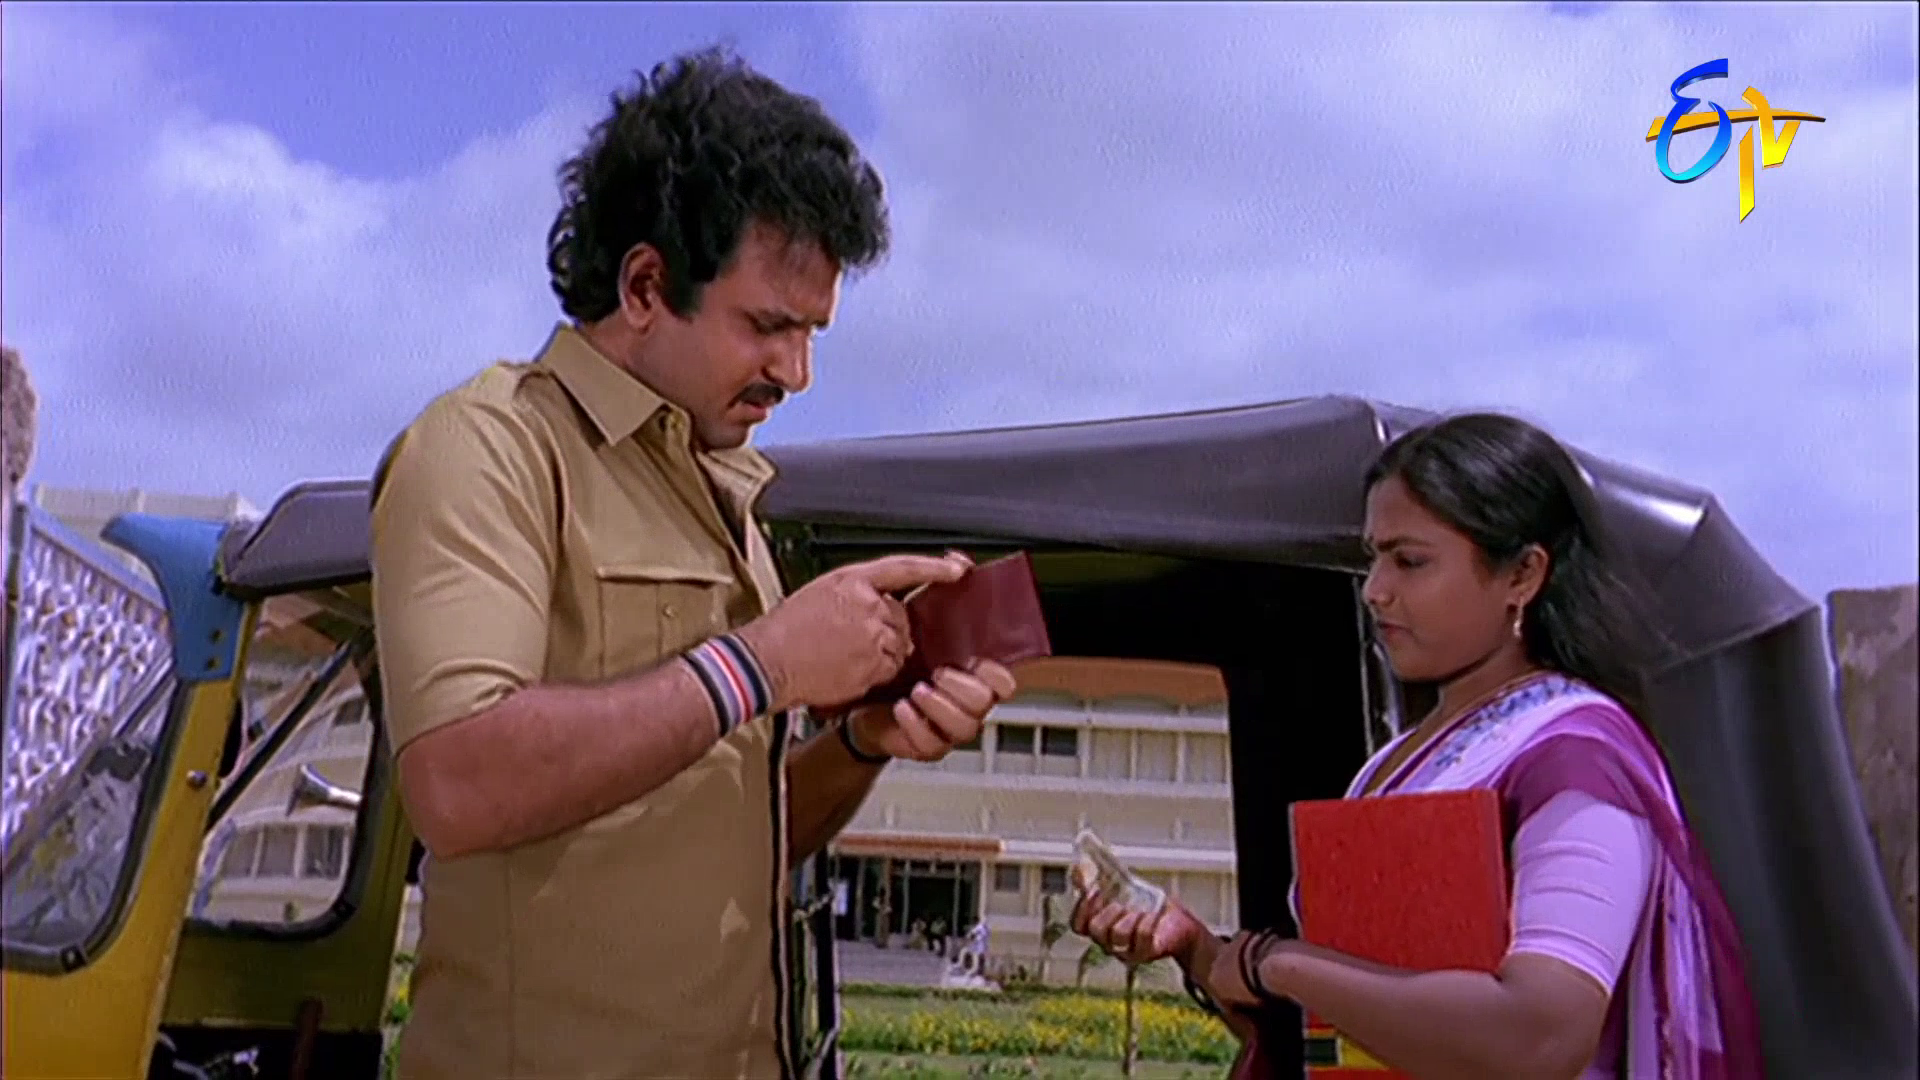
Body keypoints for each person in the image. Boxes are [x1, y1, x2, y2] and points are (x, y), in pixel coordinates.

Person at [370, 47, 1017, 1080]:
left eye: (813, 332)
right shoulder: (489, 447)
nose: (797, 372)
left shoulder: (725, 496)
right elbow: (456, 779)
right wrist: (762, 664)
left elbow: (729, 836)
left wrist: (862, 740)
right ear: (644, 284)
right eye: (767, 326)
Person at [1072, 414, 1762, 1079]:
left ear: (1522, 575)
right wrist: (1197, 948)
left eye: (1409, 561)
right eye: (1373, 558)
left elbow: (1540, 1036)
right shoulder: (1396, 764)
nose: (1375, 591)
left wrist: (1277, 964)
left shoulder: (1576, 758)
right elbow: (1347, 1031)